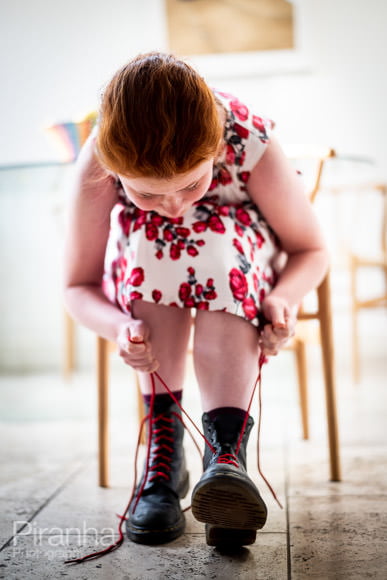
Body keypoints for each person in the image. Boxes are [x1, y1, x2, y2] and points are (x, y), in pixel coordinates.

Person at [63, 52, 329, 548]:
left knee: (214, 245)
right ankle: (165, 454)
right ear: (116, 171)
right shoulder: (100, 159)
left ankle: (226, 455)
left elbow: (312, 249)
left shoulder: (248, 140)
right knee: (154, 238)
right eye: (146, 194)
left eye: (192, 183)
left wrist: (285, 299)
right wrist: (119, 328)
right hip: (145, 284)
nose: (174, 204)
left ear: (216, 148)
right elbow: (76, 287)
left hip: (240, 270)